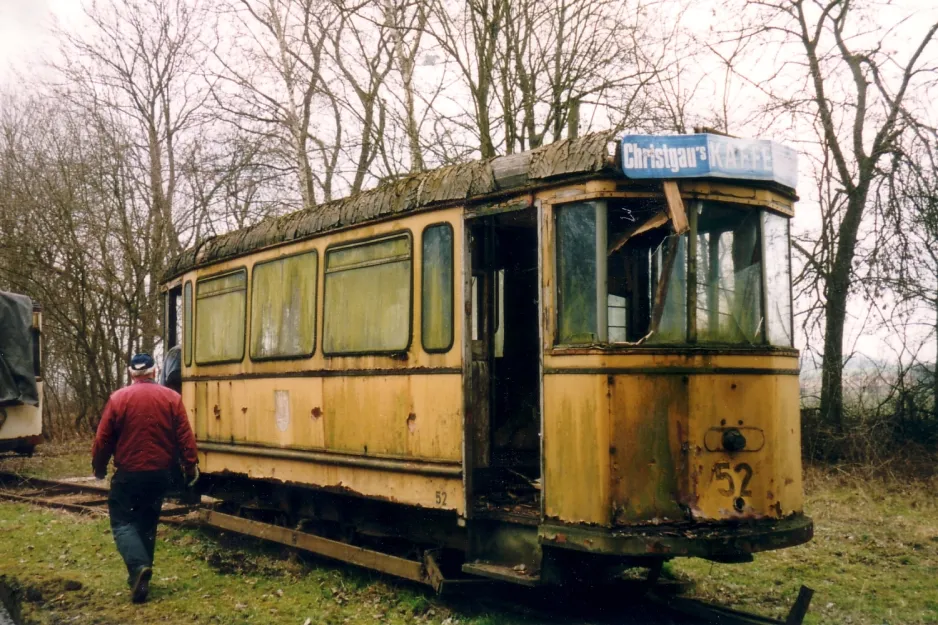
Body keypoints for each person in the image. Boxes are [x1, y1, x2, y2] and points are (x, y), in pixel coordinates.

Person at [91, 352, 199, 604]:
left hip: (129, 473)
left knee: (122, 522)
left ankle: (139, 567)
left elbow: (103, 438)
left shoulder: (119, 399)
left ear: (131, 374)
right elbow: (185, 436)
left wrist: (99, 466)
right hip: (161, 474)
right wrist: (190, 466)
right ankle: (141, 581)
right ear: (154, 371)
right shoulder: (172, 398)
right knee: (147, 524)